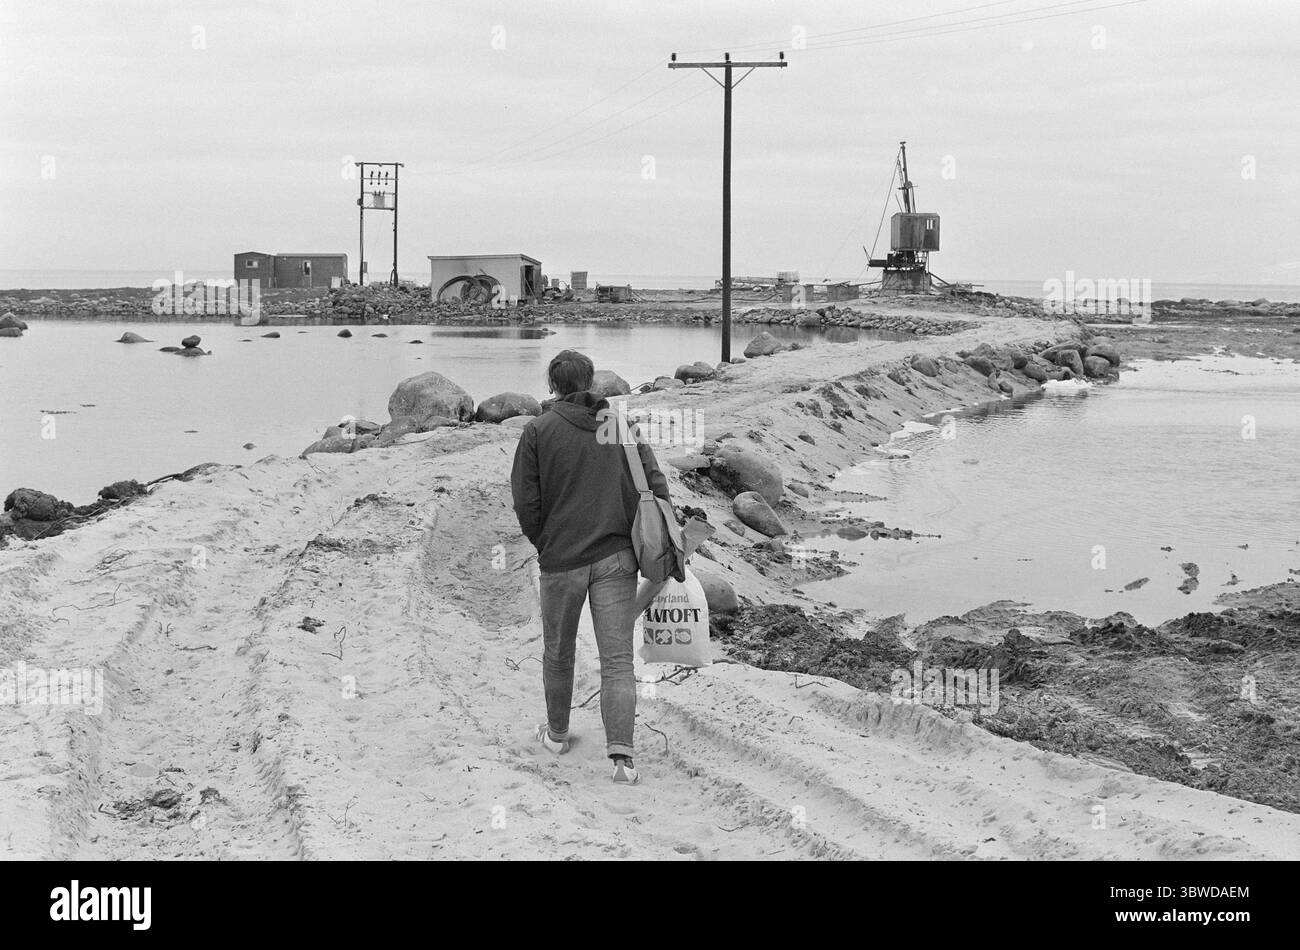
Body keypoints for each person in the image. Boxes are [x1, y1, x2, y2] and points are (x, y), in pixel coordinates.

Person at [510, 350, 673, 785]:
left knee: (558, 652)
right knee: (618, 660)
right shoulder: (618, 428)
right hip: (617, 558)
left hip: (561, 560)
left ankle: (558, 736)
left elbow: (526, 503)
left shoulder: (538, 431)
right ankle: (622, 761)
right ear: (591, 383)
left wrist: (545, 541)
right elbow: (656, 486)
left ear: (553, 386)